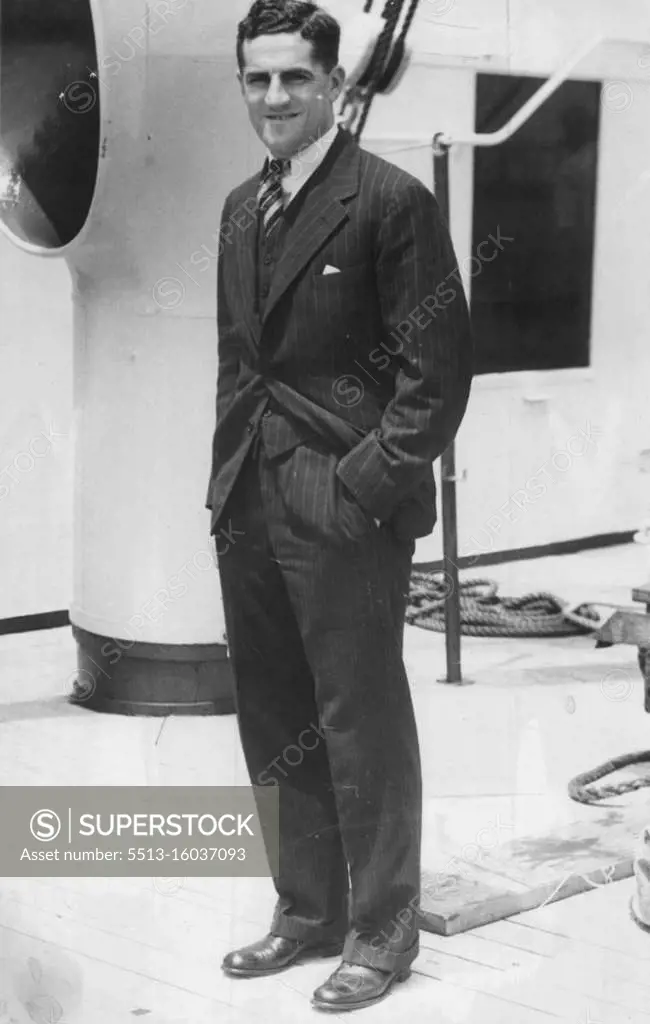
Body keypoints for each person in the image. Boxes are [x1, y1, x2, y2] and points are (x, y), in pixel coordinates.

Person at [205, 0, 473, 1011]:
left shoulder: (389, 202)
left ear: (331, 86)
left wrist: (358, 490)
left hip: (343, 510)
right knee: (275, 714)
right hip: (248, 500)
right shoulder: (240, 207)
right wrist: (223, 484)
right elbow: (240, 364)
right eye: (256, 78)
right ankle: (305, 911)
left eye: (293, 78)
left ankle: (381, 932)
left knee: (358, 720)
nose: (274, 96)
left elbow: (433, 377)